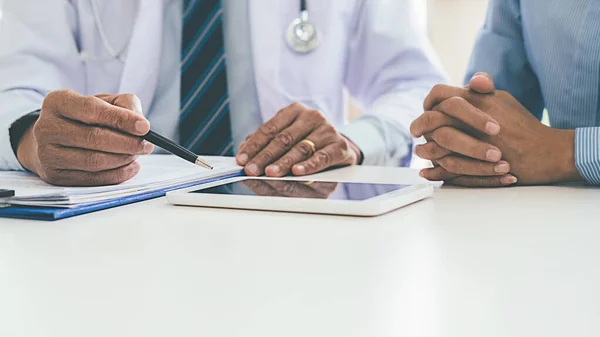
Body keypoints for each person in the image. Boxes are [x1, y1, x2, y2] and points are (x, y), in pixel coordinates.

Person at [0, 0, 446, 186]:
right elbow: (14, 85)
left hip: (294, 211)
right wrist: (31, 138)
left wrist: (353, 142)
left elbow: (412, 85)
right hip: (108, 208)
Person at [410, 0, 600, 187]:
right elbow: (494, 122)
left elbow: (532, 149)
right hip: (555, 207)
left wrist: (562, 152)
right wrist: (461, 134)